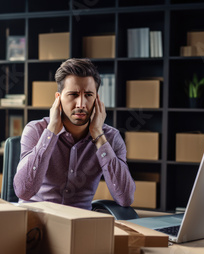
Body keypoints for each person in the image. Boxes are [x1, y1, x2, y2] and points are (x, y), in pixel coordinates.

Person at [13, 58, 136, 210]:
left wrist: (98, 135)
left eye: (89, 95)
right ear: (58, 99)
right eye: (73, 94)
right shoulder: (36, 130)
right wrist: (51, 132)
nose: (81, 104)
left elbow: (125, 198)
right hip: (36, 220)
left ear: (97, 99)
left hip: (79, 224)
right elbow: (24, 191)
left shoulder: (110, 137)